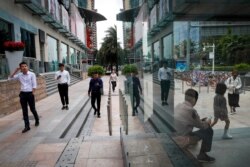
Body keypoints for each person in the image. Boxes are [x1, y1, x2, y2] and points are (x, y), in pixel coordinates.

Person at [174, 89, 215, 162]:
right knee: (208, 130)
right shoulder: (191, 111)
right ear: (194, 99)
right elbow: (203, 126)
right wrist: (207, 122)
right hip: (180, 141)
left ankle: (189, 142)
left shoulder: (178, 106)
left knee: (196, 134)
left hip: (173, 137)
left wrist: (200, 121)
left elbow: (191, 121)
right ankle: (202, 155)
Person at [9, 62, 39, 133]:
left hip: (30, 94)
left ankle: (37, 119)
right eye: (22, 66)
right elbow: (10, 78)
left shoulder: (32, 74)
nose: (24, 67)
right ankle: (27, 126)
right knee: (24, 110)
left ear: (27, 67)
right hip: (22, 94)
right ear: (20, 68)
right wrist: (16, 71)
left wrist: (32, 93)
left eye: (25, 66)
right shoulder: (19, 75)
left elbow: (34, 85)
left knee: (32, 109)